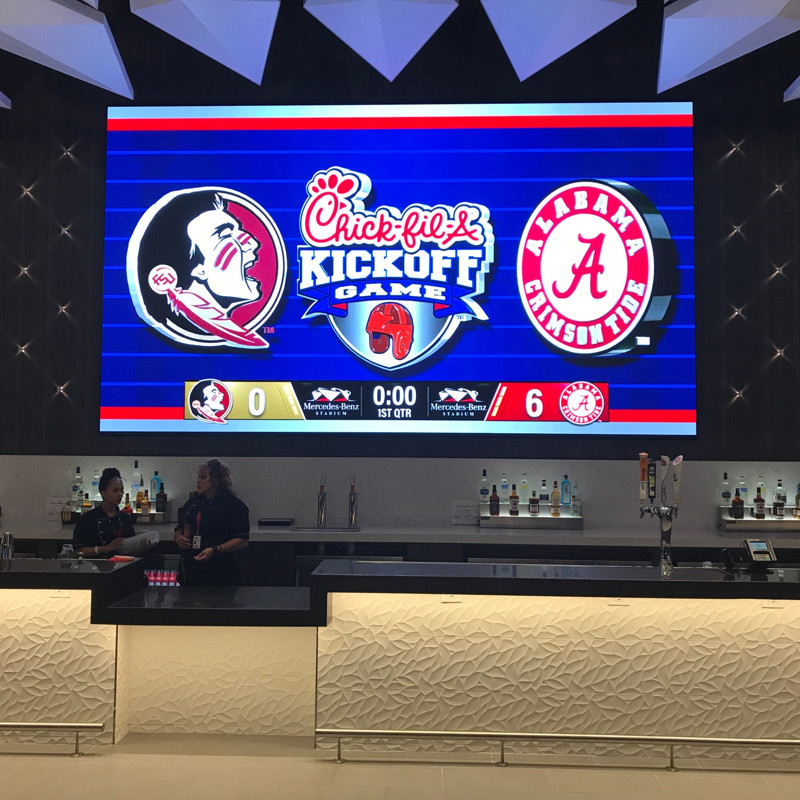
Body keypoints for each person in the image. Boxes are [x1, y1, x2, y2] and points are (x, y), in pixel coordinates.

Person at [174, 459, 249, 586]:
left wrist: (215, 550)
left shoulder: (234, 505)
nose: (198, 481)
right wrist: (178, 538)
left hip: (220, 572)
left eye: (203, 477)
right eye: (198, 477)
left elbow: (242, 540)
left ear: (216, 480)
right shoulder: (192, 503)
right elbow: (179, 528)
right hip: (190, 571)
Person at [72, 467, 136, 557]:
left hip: (123, 564)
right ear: (103, 493)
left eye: (122, 490)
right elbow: (78, 551)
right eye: (115, 490)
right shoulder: (87, 519)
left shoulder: (125, 518)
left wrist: (141, 546)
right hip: (95, 565)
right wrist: (105, 548)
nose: (120, 494)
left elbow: (132, 547)